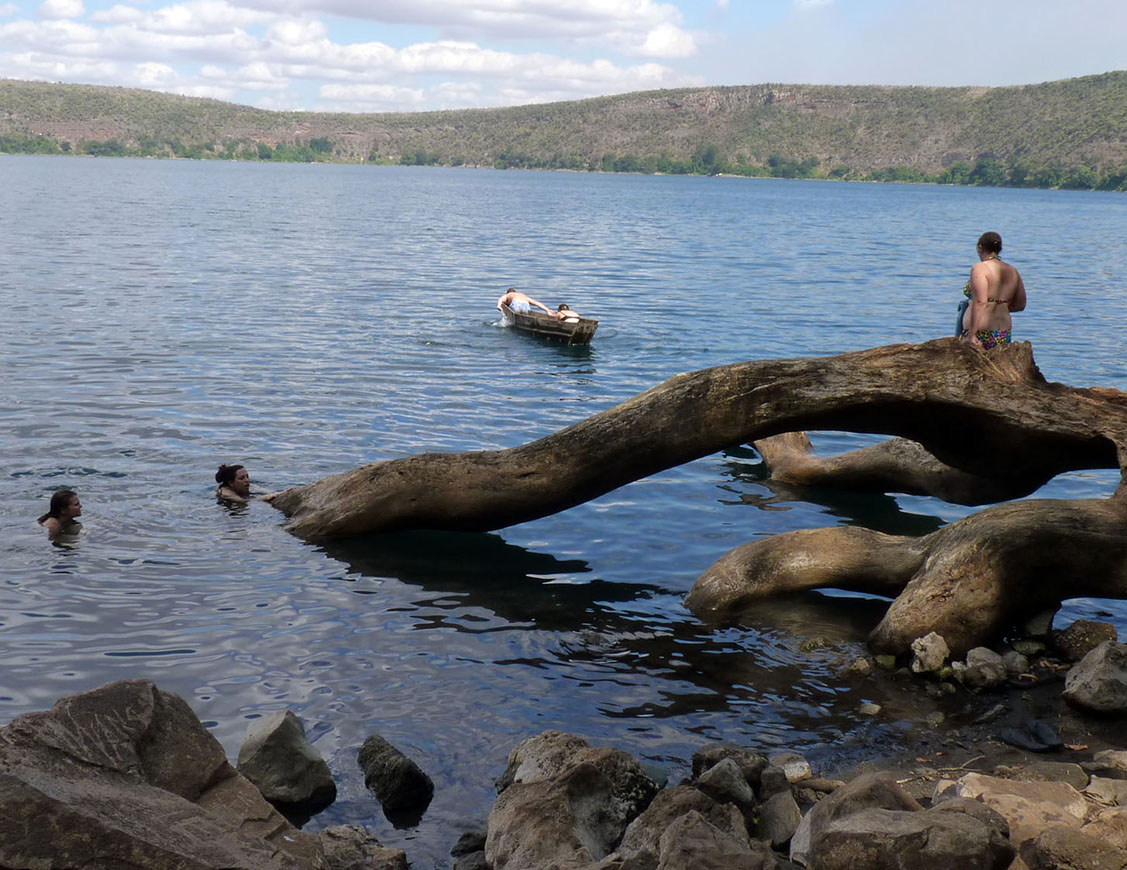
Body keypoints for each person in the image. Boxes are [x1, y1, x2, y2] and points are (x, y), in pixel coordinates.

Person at [960, 231, 1026, 349]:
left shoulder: (980, 268)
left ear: (980, 247)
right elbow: (1020, 304)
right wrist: (1000, 305)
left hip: (980, 332)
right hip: (1003, 332)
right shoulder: (1013, 271)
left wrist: (971, 334)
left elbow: (980, 302)